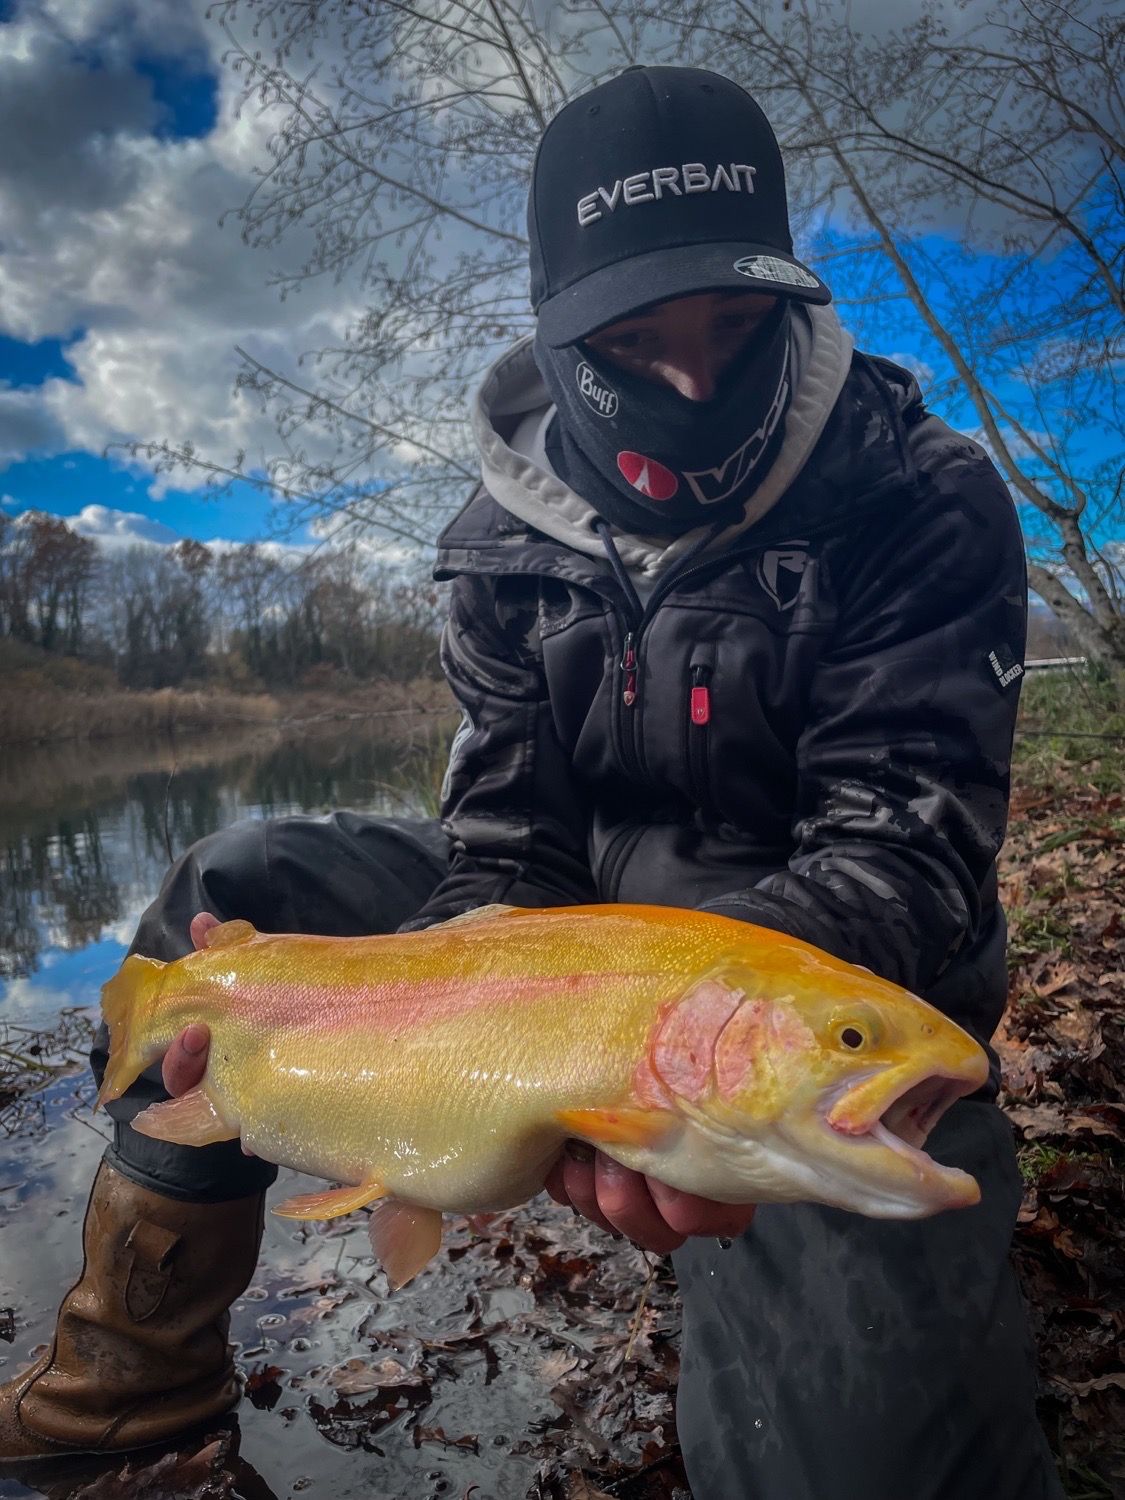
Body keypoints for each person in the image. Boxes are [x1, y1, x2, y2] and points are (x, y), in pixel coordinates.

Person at [0, 66, 1063, 1499]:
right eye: (638, 339)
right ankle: (128, 1389)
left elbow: (902, 852)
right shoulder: (497, 542)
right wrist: (455, 1007)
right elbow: (503, 837)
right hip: (575, 940)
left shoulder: (916, 493)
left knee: (865, 1465)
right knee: (238, 886)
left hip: (810, 968)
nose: (694, 380)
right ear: (562, 337)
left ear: (790, 299)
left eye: (738, 327)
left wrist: (657, 1050)